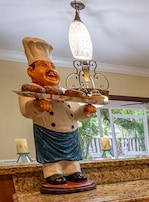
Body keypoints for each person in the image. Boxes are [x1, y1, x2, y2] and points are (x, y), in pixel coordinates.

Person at [18, 37, 96, 186]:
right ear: (30, 71)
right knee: (52, 157)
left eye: (52, 66)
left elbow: (75, 114)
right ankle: (53, 172)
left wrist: (85, 110)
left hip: (71, 134)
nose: (51, 70)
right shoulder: (29, 91)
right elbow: (26, 111)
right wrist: (37, 105)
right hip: (48, 132)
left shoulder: (66, 93)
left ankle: (73, 170)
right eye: (43, 65)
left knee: (72, 159)